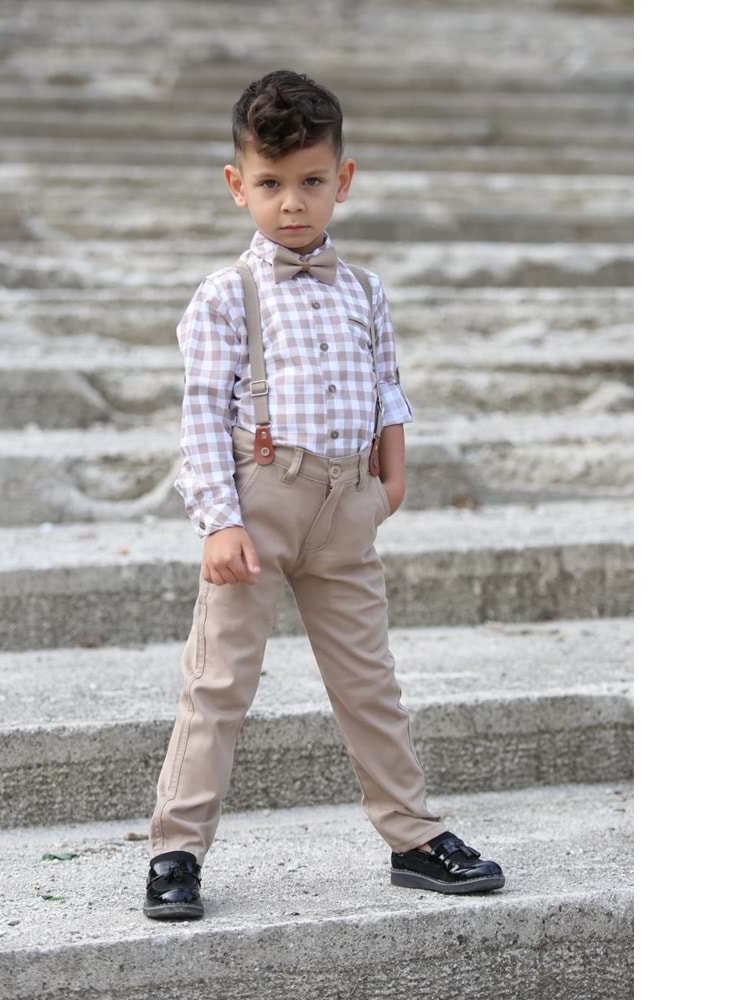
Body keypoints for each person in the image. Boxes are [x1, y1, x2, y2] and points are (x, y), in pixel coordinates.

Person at [144, 70, 505, 920]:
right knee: (219, 681)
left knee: (369, 681)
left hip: (349, 505)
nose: (292, 203)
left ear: (342, 179)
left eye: (310, 181)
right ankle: (176, 849)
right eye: (270, 184)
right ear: (238, 186)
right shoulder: (227, 295)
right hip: (260, 504)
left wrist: (391, 480)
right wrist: (218, 522)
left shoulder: (364, 289)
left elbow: (387, 386)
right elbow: (201, 413)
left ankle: (414, 835)